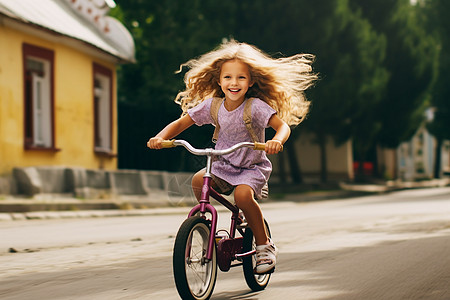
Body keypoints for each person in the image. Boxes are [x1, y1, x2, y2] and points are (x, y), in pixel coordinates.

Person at [147, 39, 316, 274]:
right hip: (224, 162)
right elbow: (182, 122)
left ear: (251, 81)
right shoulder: (213, 106)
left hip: (251, 167)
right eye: (228, 77)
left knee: (243, 196)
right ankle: (205, 227)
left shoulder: (255, 106)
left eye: (241, 78)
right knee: (198, 181)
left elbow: (282, 126)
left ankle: (265, 245)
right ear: (219, 80)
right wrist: (160, 137)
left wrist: (276, 140)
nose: (234, 83)